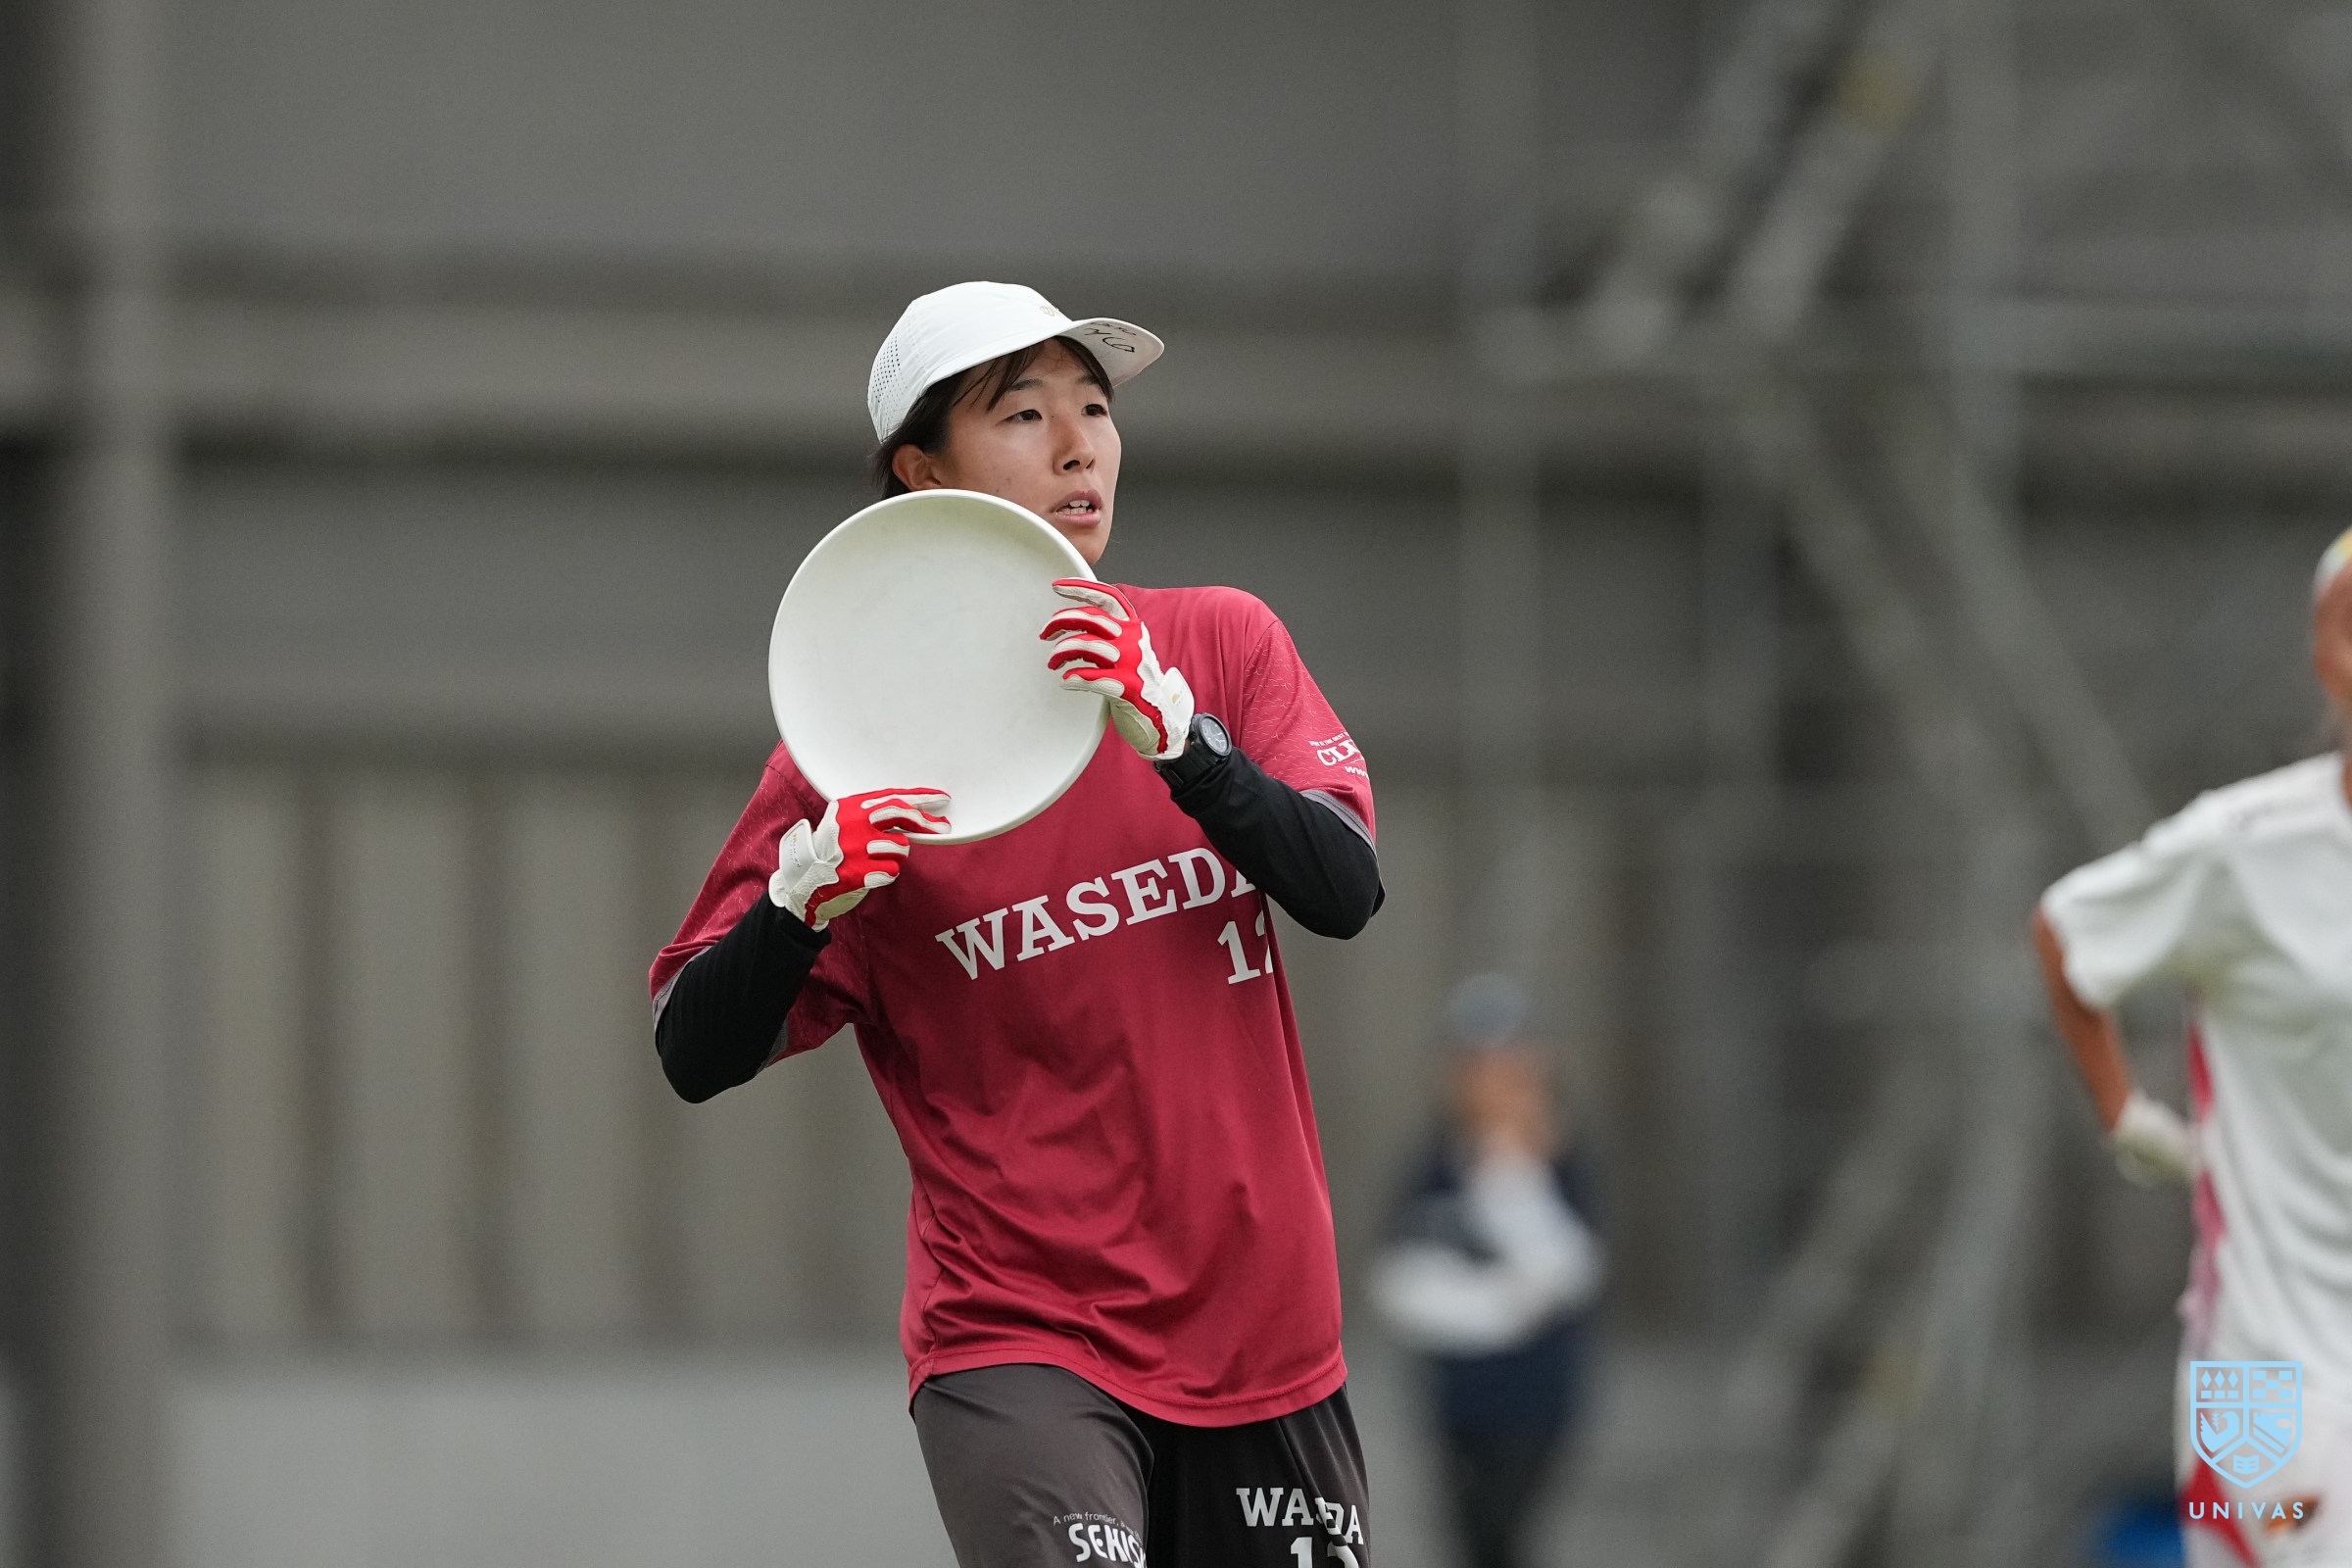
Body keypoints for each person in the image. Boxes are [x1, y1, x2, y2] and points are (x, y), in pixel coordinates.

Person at [649, 281, 1385, 1568]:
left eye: (1094, 408)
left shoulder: (1216, 644)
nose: (1079, 446)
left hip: (1267, 1335)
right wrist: (796, 908)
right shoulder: (847, 752)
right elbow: (691, 1047)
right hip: (1023, 1336)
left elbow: (1345, 891)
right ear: (923, 471)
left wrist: (1190, 748)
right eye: (1024, 413)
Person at [2033, 526, 2352, 1568]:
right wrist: (2127, 1114)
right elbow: (2069, 932)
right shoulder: (2244, 849)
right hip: (2257, 1368)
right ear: (2324, 654)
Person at [1371, 975, 1603, 1568]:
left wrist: (1511, 1173)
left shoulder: (1565, 1163)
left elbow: (1570, 1274)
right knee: (1471, 1538)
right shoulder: (1432, 1167)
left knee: (1509, 1533)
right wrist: (1501, 1305)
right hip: (1457, 1400)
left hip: (1538, 1400)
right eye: (1476, 1066)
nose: (1493, 1083)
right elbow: (1402, 1286)